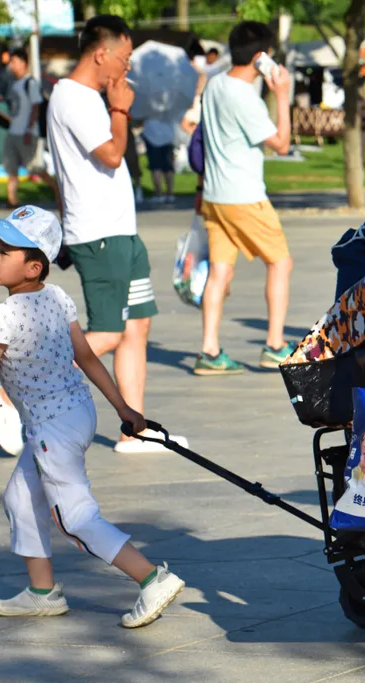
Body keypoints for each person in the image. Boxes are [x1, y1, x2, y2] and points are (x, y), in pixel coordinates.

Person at [0, 206, 185, 627]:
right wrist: (122, 407)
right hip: (75, 414)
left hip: (51, 429)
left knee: (74, 515)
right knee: (21, 499)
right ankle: (43, 592)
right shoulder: (57, 297)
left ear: (33, 266)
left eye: (4, 250)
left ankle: (152, 577)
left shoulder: (5, 315)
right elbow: (85, 357)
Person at [45, 14, 185, 453]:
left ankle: (135, 427)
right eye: (123, 58)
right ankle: (18, 390)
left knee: (137, 325)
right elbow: (110, 154)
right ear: (101, 53)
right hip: (100, 233)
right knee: (106, 331)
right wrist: (120, 109)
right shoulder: (76, 98)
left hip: (120, 230)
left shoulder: (84, 98)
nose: (126, 69)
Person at [194, 21, 294, 375]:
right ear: (261, 57)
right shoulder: (243, 96)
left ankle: (209, 350)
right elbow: (281, 144)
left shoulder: (216, 84)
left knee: (220, 270)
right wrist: (282, 95)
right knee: (280, 262)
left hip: (215, 196)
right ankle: (275, 345)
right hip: (244, 196)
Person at [3, 48, 43, 209]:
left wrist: (29, 129)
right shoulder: (15, 84)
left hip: (26, 132)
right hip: (13, 131)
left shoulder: (30, 82)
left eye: (14, 62)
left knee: (36, 168)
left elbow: (35, 106)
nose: (12, 66)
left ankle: (57, 190)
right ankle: (11, 199)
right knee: (11, 167)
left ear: (23, 63)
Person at [141, 114, 176, 203]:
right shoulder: (170, 102)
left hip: (152, 136)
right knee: (168, 166)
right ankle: (170, 193)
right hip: (168, 135)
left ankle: (159, 193)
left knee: (156, 167)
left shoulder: (148, 102)